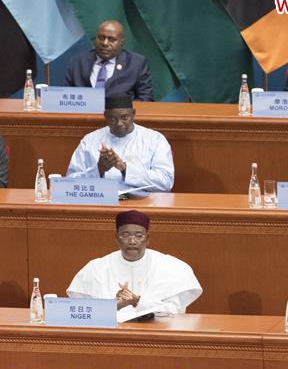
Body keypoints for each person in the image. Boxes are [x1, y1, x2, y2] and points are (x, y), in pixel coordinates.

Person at [67, 210, 202, 321]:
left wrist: (137, 301)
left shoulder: (171, 267)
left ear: (147, 239)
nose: (132, 241)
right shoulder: (97, 268)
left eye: (139, 236)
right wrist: (114, 305)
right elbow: (87, 310)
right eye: (125, 235)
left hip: (156, 332)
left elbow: (174, 312)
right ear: (116, 238)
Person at [67, 93, 174, 197]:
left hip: (142, 204)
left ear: (133, 114)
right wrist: (98, 170)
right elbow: (70, 181)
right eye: (113, 119)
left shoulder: (155, 140)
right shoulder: (90, 140)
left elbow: (166, 182)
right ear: (105, 116)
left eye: (124, 117)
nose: (119, 123)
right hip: (100, 202)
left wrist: (125, 169)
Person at [64, 20, 153, 102]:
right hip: (84, 117)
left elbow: (146, 99)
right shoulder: (77, 62)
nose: (105, 43)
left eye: (111, 39)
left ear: (121, 42)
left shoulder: (136, 63)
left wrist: (121, 110)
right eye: (101, 38)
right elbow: (66, 96)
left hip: (119, 117)